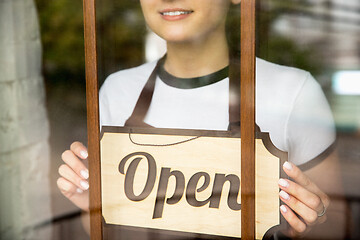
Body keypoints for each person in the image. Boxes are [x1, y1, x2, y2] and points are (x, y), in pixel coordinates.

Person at [57, 0, 346, 238]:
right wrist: (90, 206)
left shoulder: (293, 92)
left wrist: (314, 219)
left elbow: (337, 224)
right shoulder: (116, 91)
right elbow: (108, 228)